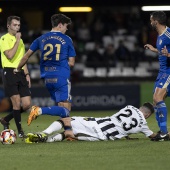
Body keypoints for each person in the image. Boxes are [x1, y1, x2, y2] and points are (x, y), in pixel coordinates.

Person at [14, 14, 76, 126]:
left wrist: (17, 68)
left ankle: (68, 133)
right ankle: (39, 110)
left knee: (61, 107)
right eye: (66, 26)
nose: (67, 29)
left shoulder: (40, 39)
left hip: (47, 78)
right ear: (60, 25)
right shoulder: (67, 39)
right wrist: (61, 64)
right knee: (66, 108)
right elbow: (71, 63)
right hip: (61, 76)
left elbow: (26, 56)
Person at [25, 102, 170, 143]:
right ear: (148, 114)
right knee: (70, 134)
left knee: (65, 120)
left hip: (98, 123)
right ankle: (45, 139)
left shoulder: (129, 107)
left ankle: (44, 134)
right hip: (102, 137)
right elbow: (153, 136)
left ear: (140, 108)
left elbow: (122, 120)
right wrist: (164, 135)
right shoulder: (143, 125)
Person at [0, 16, 31, 137]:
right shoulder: (4, 39)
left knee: (27, 104)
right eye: (15, 25)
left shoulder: (21, 41)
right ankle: (20, 132)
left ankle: (6, 119)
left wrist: (27, 74)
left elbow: (23, 59)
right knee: (16, 102)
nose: (17, 27)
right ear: (8, 26)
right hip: (9, 72)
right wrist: (17, 41)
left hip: (21, 73)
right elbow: (10, 56)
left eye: (18, 25)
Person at [144, 11, 170, 138]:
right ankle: (162, 131)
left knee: (158, 97)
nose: (150, 22)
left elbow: (168, 53)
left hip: (168, 72)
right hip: (162, 72)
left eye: (151, 20)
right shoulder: (160, 35)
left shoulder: (168, 34)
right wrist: (154, 49)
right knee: (156, 100)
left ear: (156, 21)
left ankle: (164, 132)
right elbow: (163, 51)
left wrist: (169, 55)